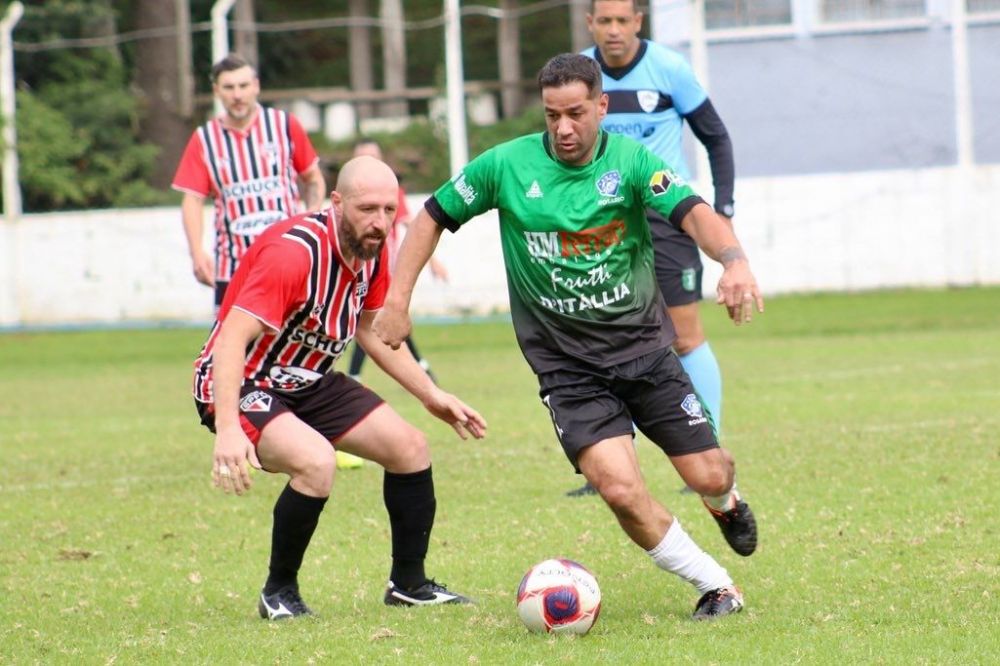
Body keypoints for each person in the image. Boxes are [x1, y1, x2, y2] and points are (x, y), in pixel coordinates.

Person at [373, 54, 762, 620]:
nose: (564, 128)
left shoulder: (630, 162)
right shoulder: (506, 166)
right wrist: (399, 299)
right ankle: (716, 585)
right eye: (553, 115)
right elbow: (431, 214)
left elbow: (693, 212)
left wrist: (733, 260)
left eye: (577, 113)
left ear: (601, 107)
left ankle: (725, 503)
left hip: (646, 353)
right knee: (620, 490)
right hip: (568, 369)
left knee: (709, 472)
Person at [193, 155, 486, 620]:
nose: (380, 222)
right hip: (244, 380)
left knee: (410, 447)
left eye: (389, 211)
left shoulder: (373, 252)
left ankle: (409, 585)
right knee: (316, 463)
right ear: (336, 201)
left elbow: (372, 330)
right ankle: (279, 592)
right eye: (367, 209)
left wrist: (432, 395)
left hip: (309, 379)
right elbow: (231, 338)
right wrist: (228, 426)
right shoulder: (295, 254)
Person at [565, 0, 736, 497]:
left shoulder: (669, 69)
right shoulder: (580, 74)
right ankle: (610, 466)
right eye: (605, 21)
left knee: (684, 335)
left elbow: (716, 138)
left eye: (623, 20)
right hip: (601, 225)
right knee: (601, 339)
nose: (614, 31)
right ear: (591, 23)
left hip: (664, 218)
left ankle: (710, 449)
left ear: (638, 22)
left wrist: (722, 208)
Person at [172, 53, 327, 310]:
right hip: (233, 266)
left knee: (291, 345)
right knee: (227, 346)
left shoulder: (284, 125)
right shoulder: (205, 138)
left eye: (243, 86)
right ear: (216, 91)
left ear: (256, 86)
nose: (237, 95)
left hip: (288, 260)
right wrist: (196, 253)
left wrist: (311, 220)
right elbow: (192, 199)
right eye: (229, 87)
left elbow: (313, 179)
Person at [345, 138, 449, 385]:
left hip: (383, 274)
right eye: (363, 159)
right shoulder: (348, 197)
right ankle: (421, 370)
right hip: (357, 272)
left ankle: (355, 377)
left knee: (376, 321)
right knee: (377, 321)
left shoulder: (393, 194)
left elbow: (414, 226)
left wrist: (433, 261)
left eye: (374, 158)